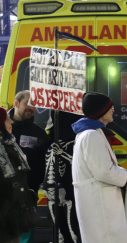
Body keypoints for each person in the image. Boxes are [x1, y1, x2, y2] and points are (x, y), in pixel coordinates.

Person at [71, 92, 127, 243]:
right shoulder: (91, 135)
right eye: (110, 107)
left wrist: (126, 175)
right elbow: (104, 171)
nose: (113, 111)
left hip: (99, 200)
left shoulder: (91, 133)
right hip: (99, 203)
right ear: (101, 111)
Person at [8, 90, 49, 243]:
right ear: (17, 103)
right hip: (5, 193)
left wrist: (36, 184)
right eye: (27, 103)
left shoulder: (39, 133)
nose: (31, 108)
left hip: (28, 192)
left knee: (26, 233)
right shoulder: (3, 129)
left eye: (35, 105)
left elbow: (44, 163)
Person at [43, 111, 83, 243]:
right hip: (53, 188)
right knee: (60, 231)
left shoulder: (72, 143)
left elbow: (76, 162)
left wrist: (62, 153)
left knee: (72, 229)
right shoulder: (50, 143)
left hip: (67, 188)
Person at [0, 107, 38, 243]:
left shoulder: (9, 145)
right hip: (4, 219)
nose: (11, 122)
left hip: (13, 218)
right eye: (7, 119)